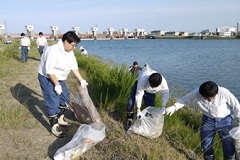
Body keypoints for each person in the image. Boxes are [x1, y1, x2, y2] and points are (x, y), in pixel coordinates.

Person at [164, 81, 240, 160]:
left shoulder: (224, 92)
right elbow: (184, 100)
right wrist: (174, 107)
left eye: (212, 97)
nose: (210, 99)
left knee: (228, 145)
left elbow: (236, 106)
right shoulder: (196, 93)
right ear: (202, 95)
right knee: (206, 143)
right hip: (208, 120)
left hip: (225, 120)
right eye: (207, 97)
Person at [38, 31, 88, 138]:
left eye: (75, 45)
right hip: (47, 77)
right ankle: (54, 126)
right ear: (66, 42)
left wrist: (81, 79)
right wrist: (56, 85)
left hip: (59, 77)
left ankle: (60, 117)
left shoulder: (69, 51)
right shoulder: (53, 51)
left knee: (65, 97)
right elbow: (49, 71)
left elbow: (73, 66)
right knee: (53, 101)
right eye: (73, 45)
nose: (74, 48)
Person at [126, 64, 169, 129]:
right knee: (131, 103)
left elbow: (165, 94)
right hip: (139, 86)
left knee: (149, 109)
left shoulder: (163, 83)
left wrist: (163, 106)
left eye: (153, 86)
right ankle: (130, 119)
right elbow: (139, 95)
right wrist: (138, 110)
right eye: (150, 84)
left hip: (151, 93)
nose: (151, 86)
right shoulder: (143, 79)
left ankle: (145, 124)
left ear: (158, 85)